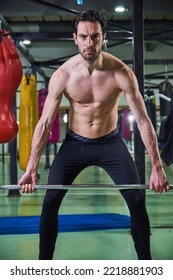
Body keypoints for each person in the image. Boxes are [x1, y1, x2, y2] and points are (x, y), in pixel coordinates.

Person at [18, 9, 169, 260]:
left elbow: (143, 120)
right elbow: (45, 122)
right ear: (75, 38)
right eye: (84, 36)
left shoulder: (121, 73)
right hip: (74, 144)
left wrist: (156, 166)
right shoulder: (63, 75)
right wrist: (32, 167)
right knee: (50, 201)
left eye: (95, 37)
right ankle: (43, 267)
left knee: (136, 199)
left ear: (104, 37)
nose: (89, 43)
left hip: (110, 142)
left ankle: (147, 266)